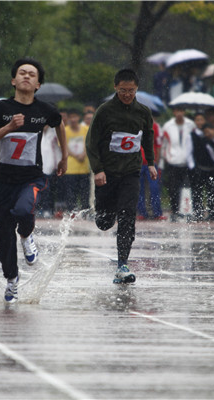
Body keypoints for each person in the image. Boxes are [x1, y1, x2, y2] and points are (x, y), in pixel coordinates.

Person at [0, 58, 67, 302]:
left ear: (38, 84)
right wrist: (8, 127)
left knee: (23, 210)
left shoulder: (45, 110)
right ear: (13, 80)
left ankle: (27, 236)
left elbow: (59, 124)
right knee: (3, 239)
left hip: (32, 177)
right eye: (22, 73)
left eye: (32, 74)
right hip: (3, 182)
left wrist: (65, 157)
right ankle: (12, 280)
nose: (26, 76)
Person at [85, 68, 156, 284]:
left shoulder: (143, 112)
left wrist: (151, 163)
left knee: (127, 216)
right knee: (104, 223)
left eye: (131, 90)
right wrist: (98, 169)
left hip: (131, 172)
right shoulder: (105, 111)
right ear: (115, 87)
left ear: (137, 89)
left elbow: (148, 138)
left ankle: (122, 264)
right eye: (123, 90)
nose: (127, 94)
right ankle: (108, 210)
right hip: (107, 173)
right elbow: (91, 142)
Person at [186, 120, 214, 222]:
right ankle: (198, 213)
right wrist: (193, 167)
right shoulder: (204, 141)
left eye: (209, 131)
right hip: (202, 169)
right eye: (205, 132)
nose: (208, 134)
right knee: (198, 192)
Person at [161, 106, 195, 221]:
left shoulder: (190, 125)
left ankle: (189, 210)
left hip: (187, 162)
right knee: (173, 188)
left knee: (189, 187)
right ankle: (175, 211)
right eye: (177, 111)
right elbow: (164, 143)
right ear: (174, 112)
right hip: (173, 161)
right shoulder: (168, 126)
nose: (179, 113)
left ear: (184, 112)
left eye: (181, 111)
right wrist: (166, 157)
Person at [62, 109, 90, 213]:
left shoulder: (85, 129)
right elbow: (63, 146)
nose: (73, 119)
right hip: (70, 168)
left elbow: (89, 143)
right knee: (70, 194)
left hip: (84, 168)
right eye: (71, 117)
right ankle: (71, 213)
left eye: (75, 117)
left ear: (79, 118)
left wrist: (83, 154)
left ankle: (85, 213)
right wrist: (76, 155)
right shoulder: (64, 130)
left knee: (85, 194)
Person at [137, 120, 164, 220]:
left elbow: (158, 144)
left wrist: (156, 161)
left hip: (151, 162)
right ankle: (142, 212)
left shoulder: (155, 126)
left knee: (154, 187)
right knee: (139, 188)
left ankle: (157, 212)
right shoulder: (134, 123)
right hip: (138, 162)